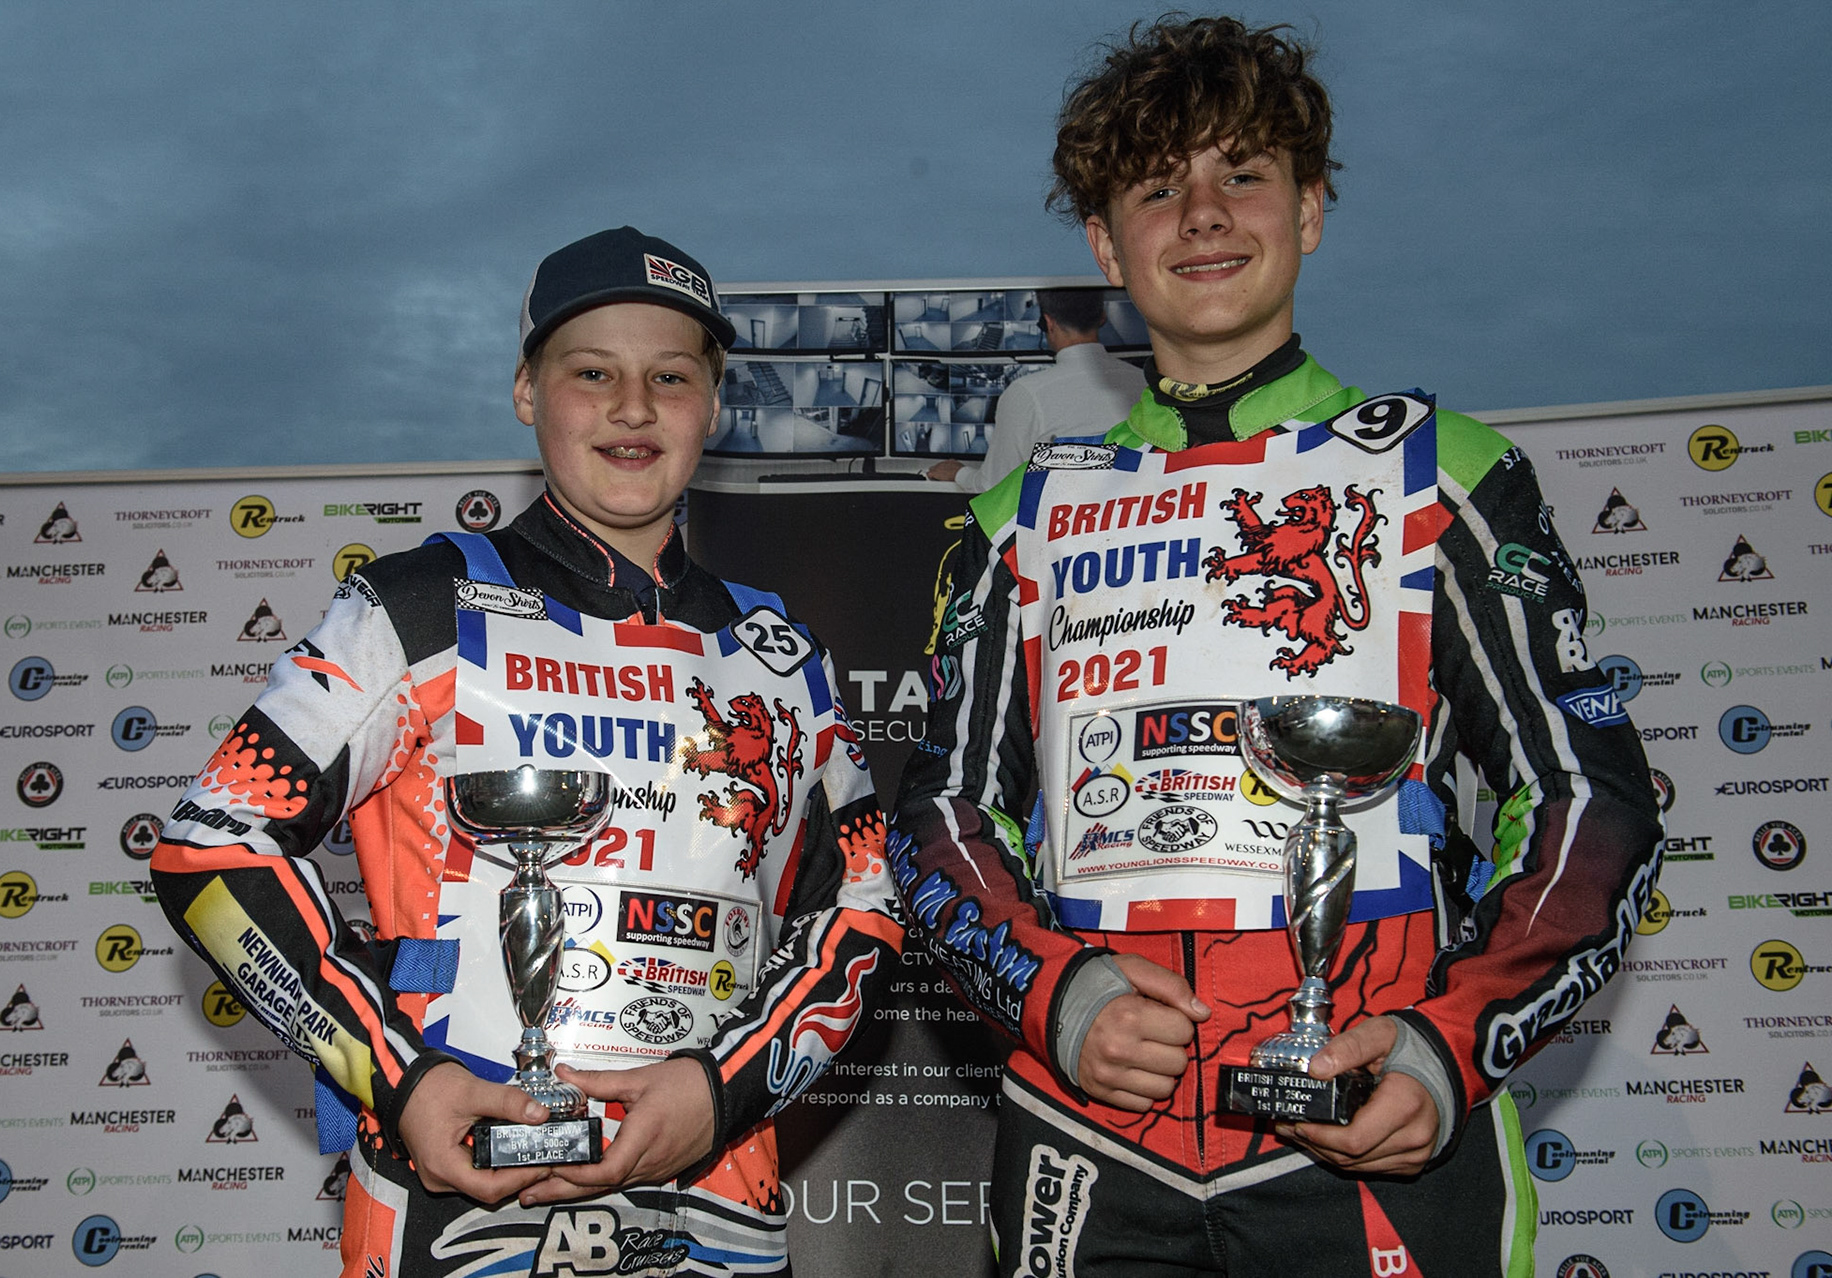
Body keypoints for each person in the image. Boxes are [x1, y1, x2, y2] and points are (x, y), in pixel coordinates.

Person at [890, 17, 1660, 1275]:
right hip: (1095, 1142)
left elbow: (1592, 806)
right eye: (1157, 186)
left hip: (1369, 1127)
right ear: (1105, 243)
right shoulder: (1014, 520)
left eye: (1241, 173)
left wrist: (1445, 1043)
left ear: (1311, 211)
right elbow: (941, 828)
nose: (1201, 213)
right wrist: (1055, 994)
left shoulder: (1440, 476)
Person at [153, 226, 902, 1278]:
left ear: (715, 404)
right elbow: (210, 847)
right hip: (455, 1199)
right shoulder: (416, 608)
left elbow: (863, 911)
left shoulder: (782, 656)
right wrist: (398, 1078)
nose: (633, 406)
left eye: (670, 376)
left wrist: (721, 1089)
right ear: (525, 392)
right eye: (591, 372)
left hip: (715, 1205)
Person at [925, 288, 1145, 494]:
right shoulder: (1144, 383)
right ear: (1103, 317)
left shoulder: (1026, 393)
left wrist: (958, 472)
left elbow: (995, 487)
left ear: (1048, 323)